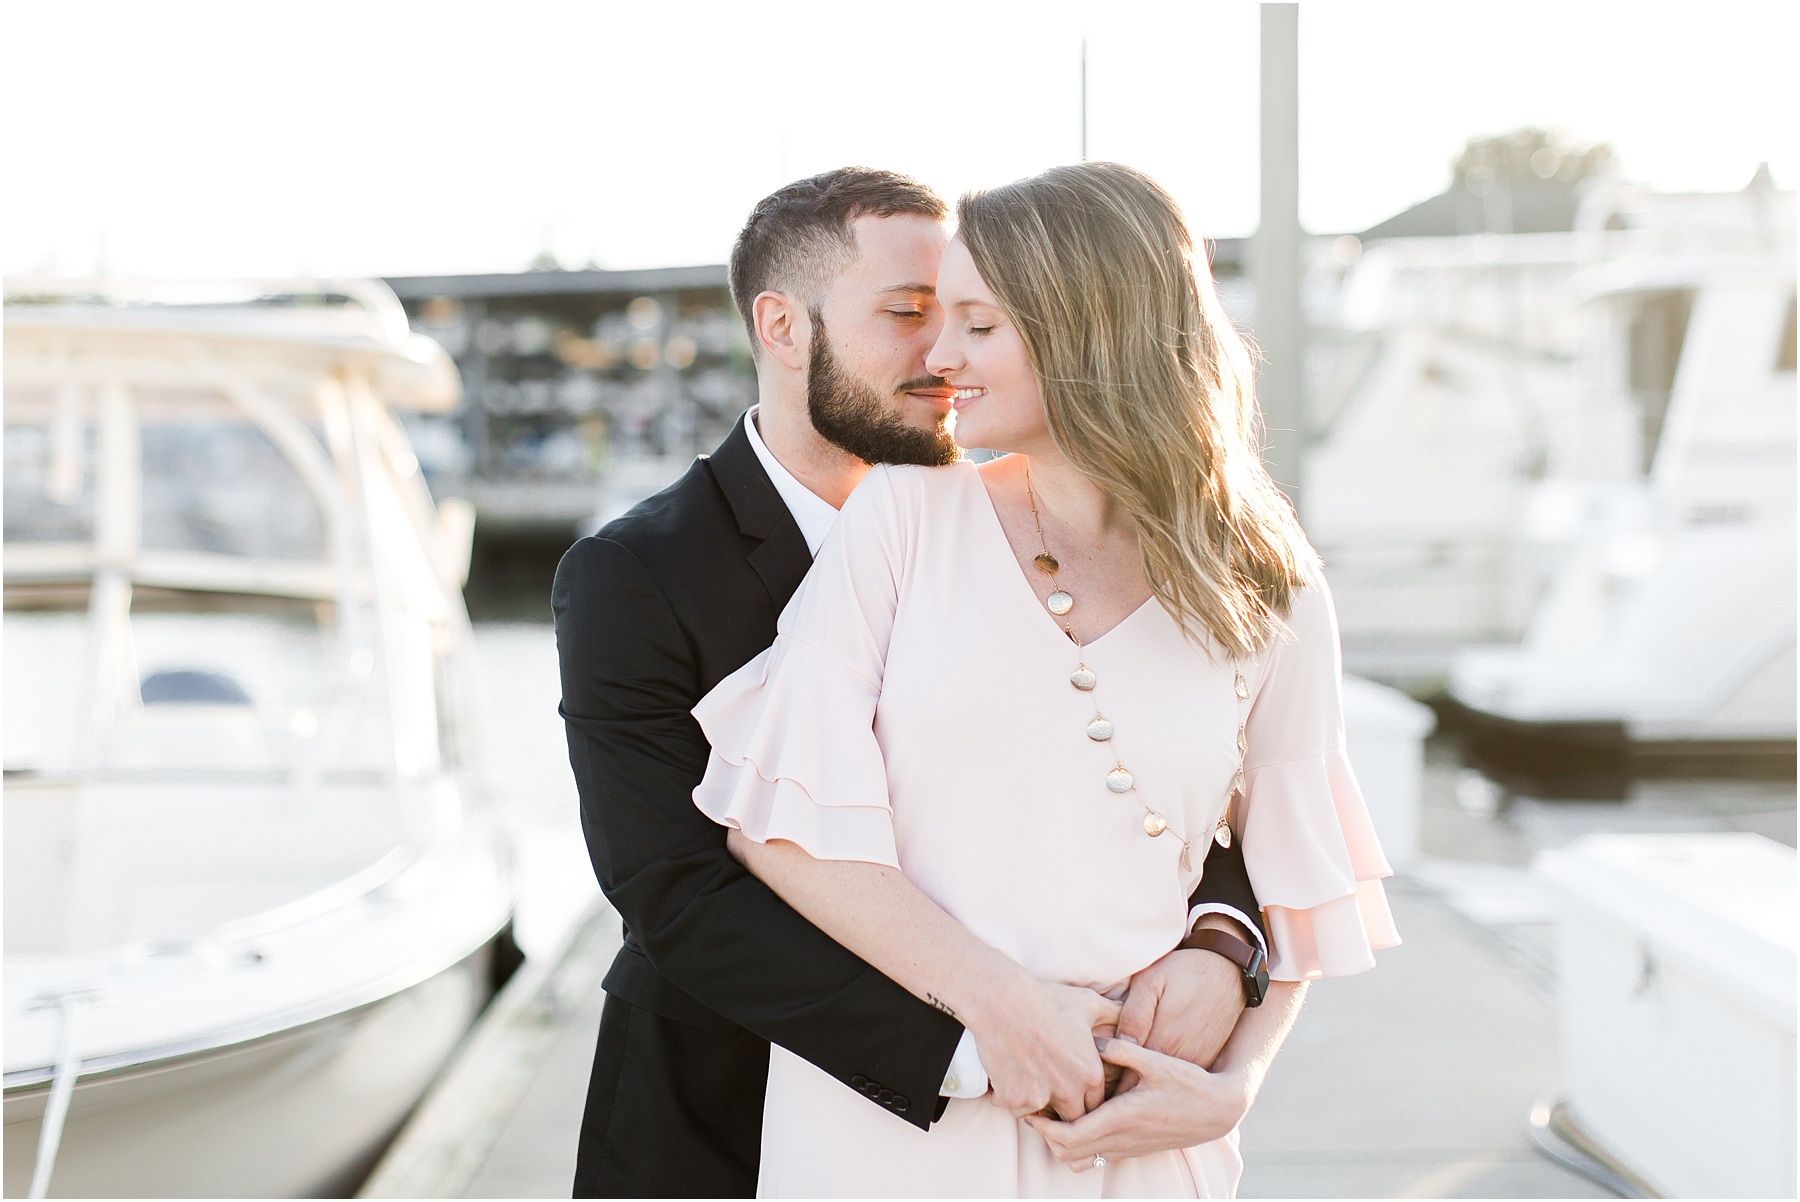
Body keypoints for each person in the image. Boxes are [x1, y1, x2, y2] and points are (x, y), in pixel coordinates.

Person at [553, 167, 1272, 1198]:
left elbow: (1178, 773)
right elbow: (678, 886)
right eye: (907, 313)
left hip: (1070, 1103)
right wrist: (984, 1040)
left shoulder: (1052, 525)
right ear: (783, 325)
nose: (946, 355)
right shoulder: (634, 573)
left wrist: (1220, 940)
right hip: (721, 1114)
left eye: (977, 318)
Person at [690, 163, 1399, 1197]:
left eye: (978, 326)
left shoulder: (1271, 585)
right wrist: (1006, 1009)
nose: (939, 358)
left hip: (1140, 1135)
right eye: (936, 321)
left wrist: (1234, 1083)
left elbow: (1300, 888)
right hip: (894, 1131)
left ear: (1088, 330)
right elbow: (779, 829)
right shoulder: (901, 520)